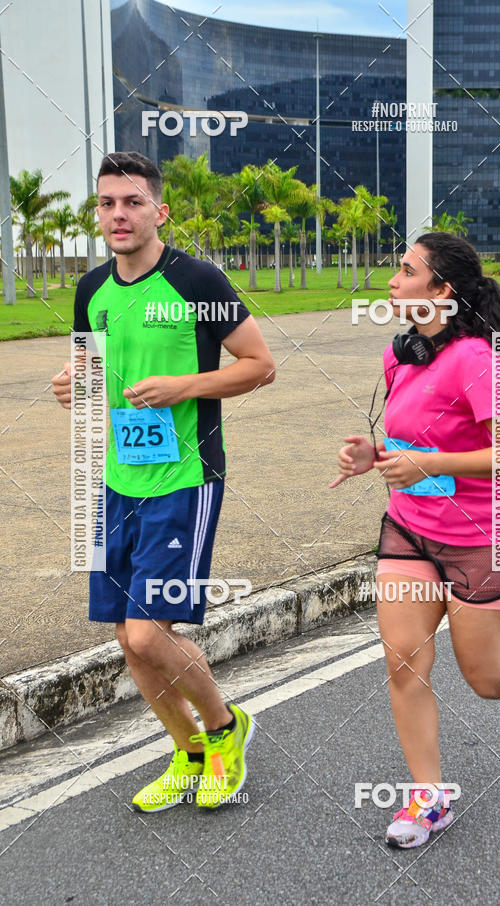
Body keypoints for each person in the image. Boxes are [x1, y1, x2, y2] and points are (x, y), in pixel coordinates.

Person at [331, 232, 500, 848]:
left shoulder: (476, 359)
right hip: (410, 531)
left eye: (406, 271)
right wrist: (378, 455)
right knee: (403, 663)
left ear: (441, 290)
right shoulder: (400, 358)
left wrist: (432, 463)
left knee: (486, 677)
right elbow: (414, 446)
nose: (391, 281)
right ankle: (429, 797)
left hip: (487, 536)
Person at [52, 151, 276, 813]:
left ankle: (228, 730)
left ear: (159, 211)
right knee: (126, 637)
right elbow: (91, 376)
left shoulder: (197, 280)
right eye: (107, 203)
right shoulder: (91, 289)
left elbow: (261, 365)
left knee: (150, 632)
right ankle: (190, 751)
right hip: (120, 479)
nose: (118, 214)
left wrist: (184, 386)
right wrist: (74, 386)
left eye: (132, 202)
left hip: (185, 478)